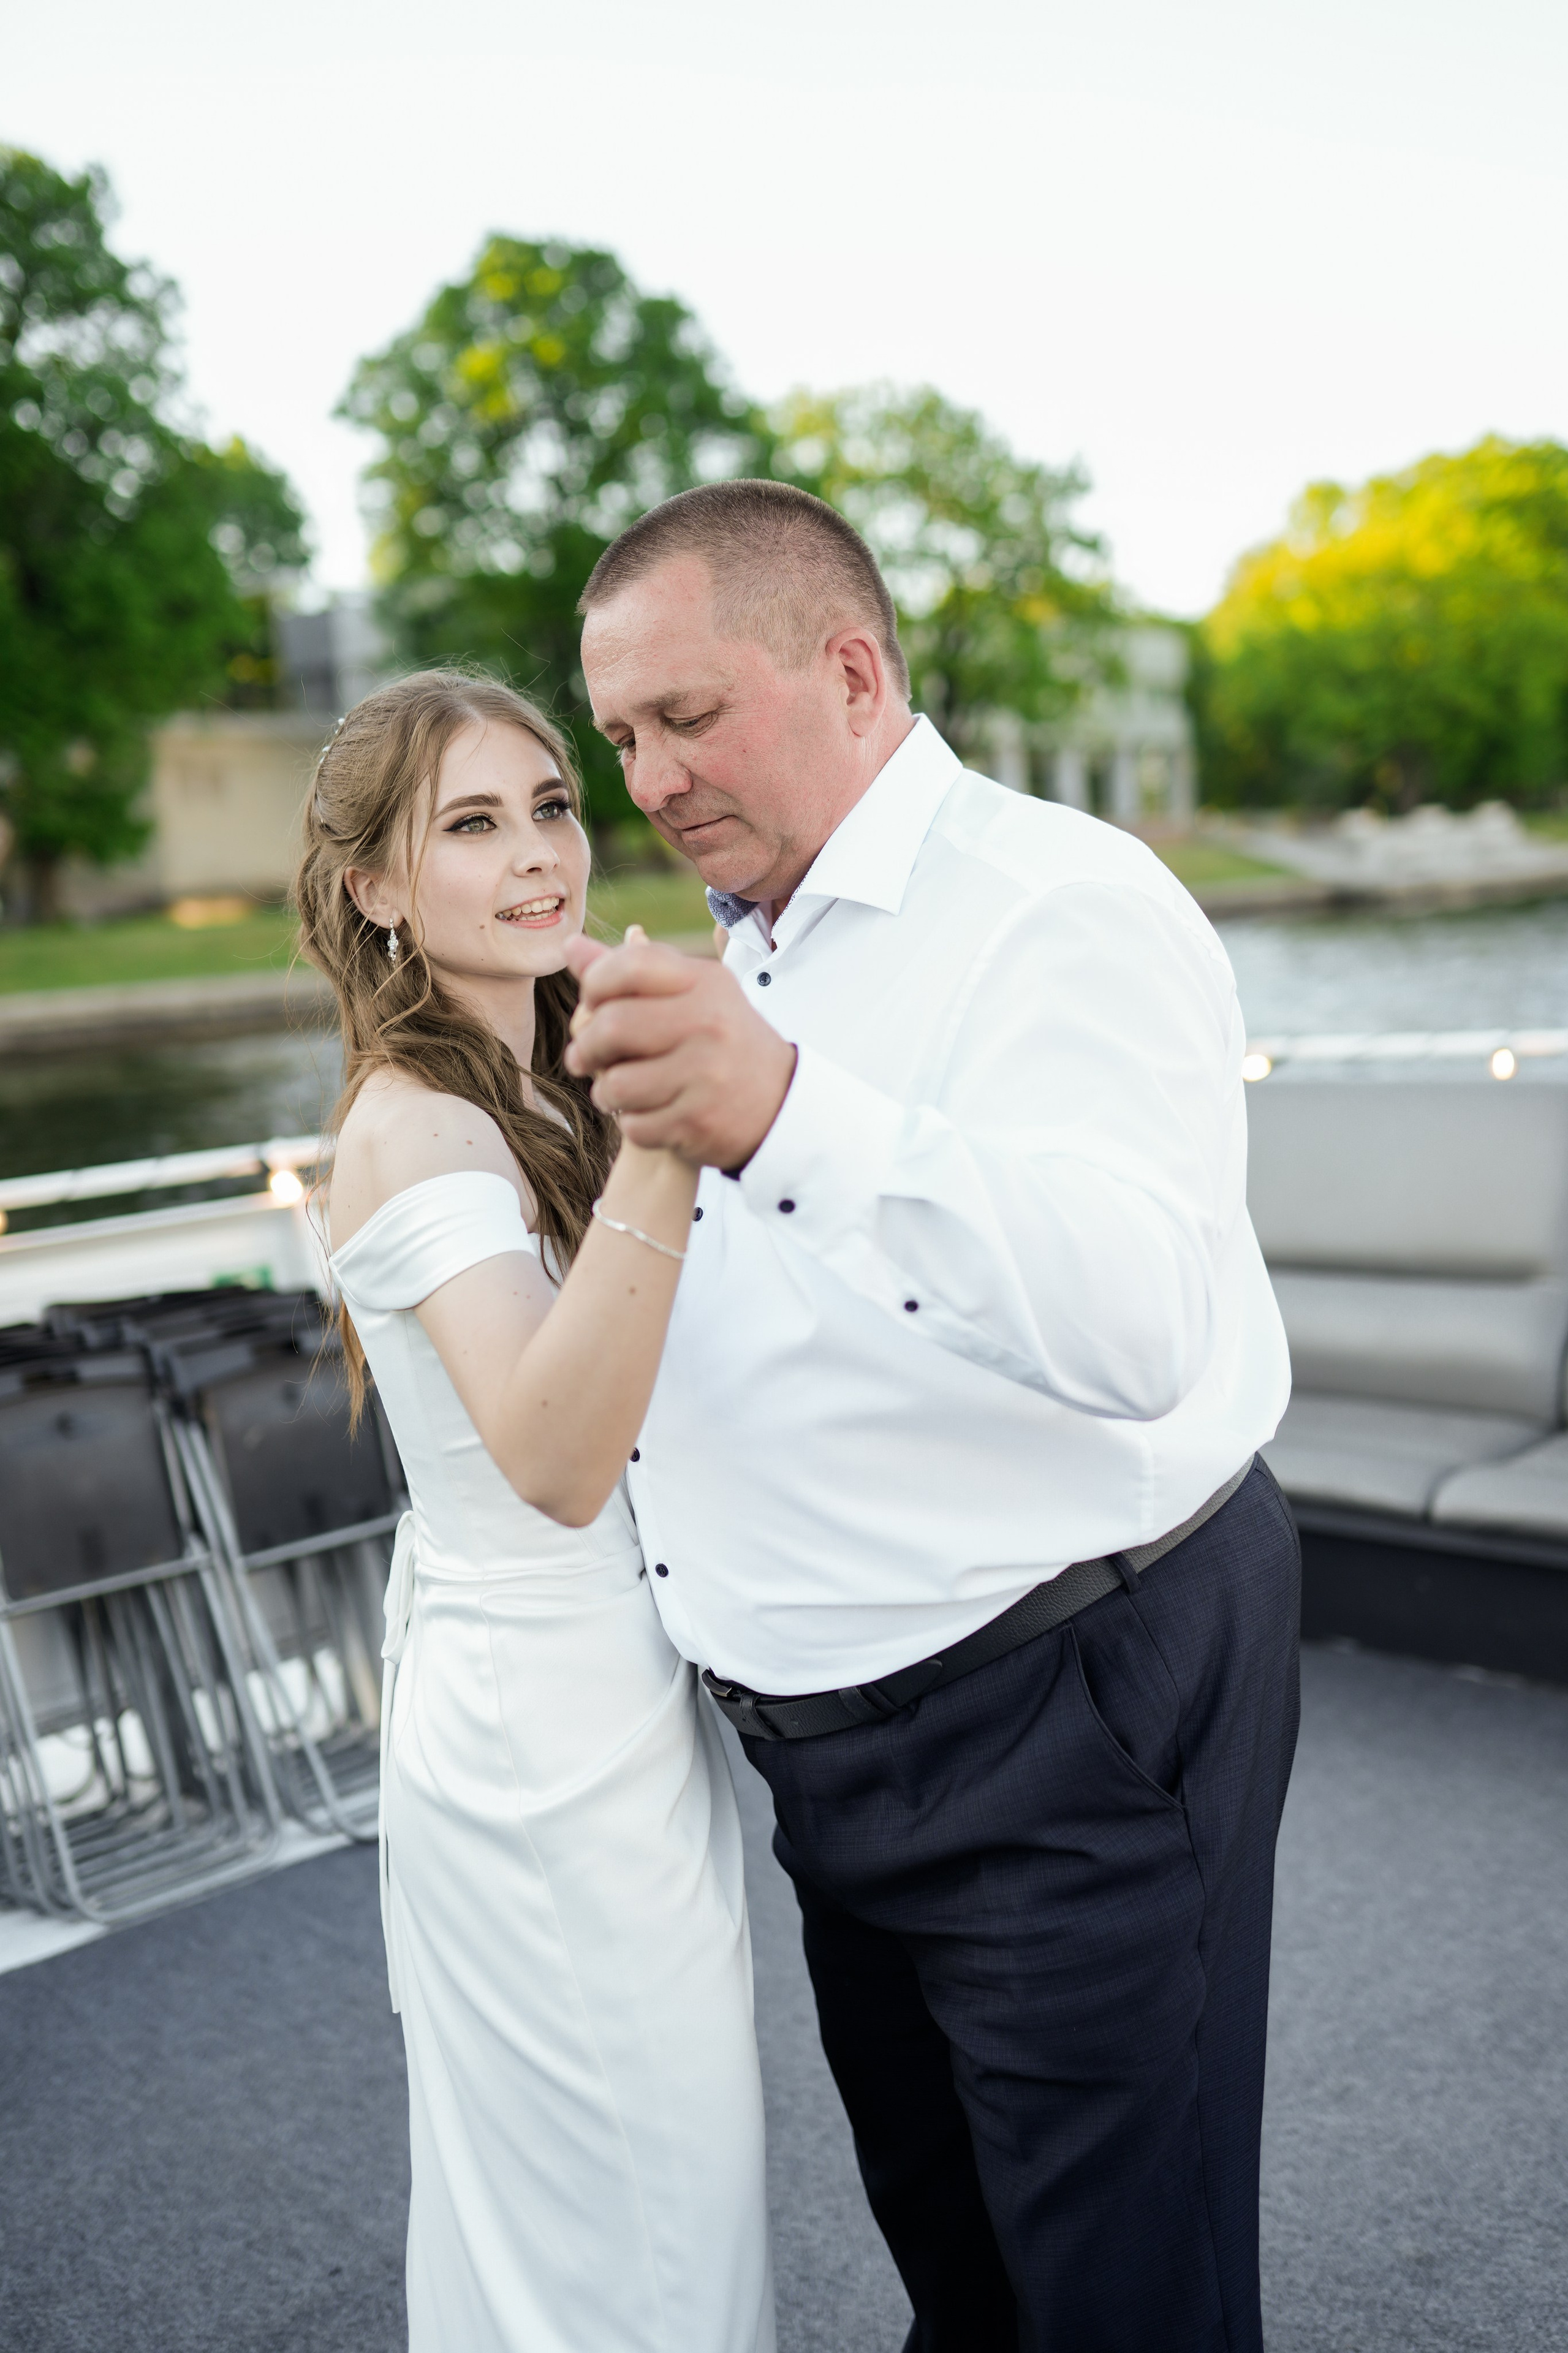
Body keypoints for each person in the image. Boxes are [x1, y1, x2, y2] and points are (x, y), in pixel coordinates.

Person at [565, 479, 1300, 2353]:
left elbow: (1142, 1323)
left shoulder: (1063, 901)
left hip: (1062, 1722)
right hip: (835, 1764)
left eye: (688, 715)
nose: (648, 777)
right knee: (965, 2282)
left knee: (1124, 2299)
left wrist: (788, 1111)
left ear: (855, 670)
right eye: (622, 734)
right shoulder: (758, 948)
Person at [294, 672, 774, 2353]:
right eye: (473, 825)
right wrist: (670, 1124)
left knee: (668, 2200)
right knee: (625, 2225)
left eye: (554, 808)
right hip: (537, 1746)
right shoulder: (417, 1128)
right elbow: (557, 1463)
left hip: (622, 1706)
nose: (537, 857)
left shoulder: (538, 1085)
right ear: (372, 888)